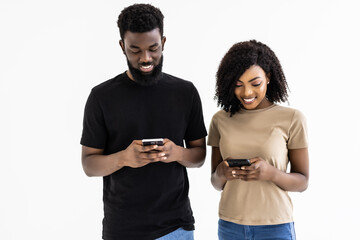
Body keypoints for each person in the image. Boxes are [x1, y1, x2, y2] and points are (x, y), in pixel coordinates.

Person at [80, 4, 207, 240]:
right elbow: (88, 165)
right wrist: (124, 158)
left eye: (153, 48)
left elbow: (199, 155)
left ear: (164, 42)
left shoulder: (185, 92)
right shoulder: (101, 96)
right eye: (135, 50)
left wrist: (176, 152)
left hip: (176, 228)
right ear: (122, 46)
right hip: (122, 229)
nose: (145, 58)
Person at [208, 40, 309, 240]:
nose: (247, 93)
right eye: (238, 85)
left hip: (275, 227)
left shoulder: (292, 118)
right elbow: (216, 182)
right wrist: (222, 172)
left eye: (256, 84)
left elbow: (303, 181)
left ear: (268, 78)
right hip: (230, 226)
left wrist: (271, 173)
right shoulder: (220, 119)